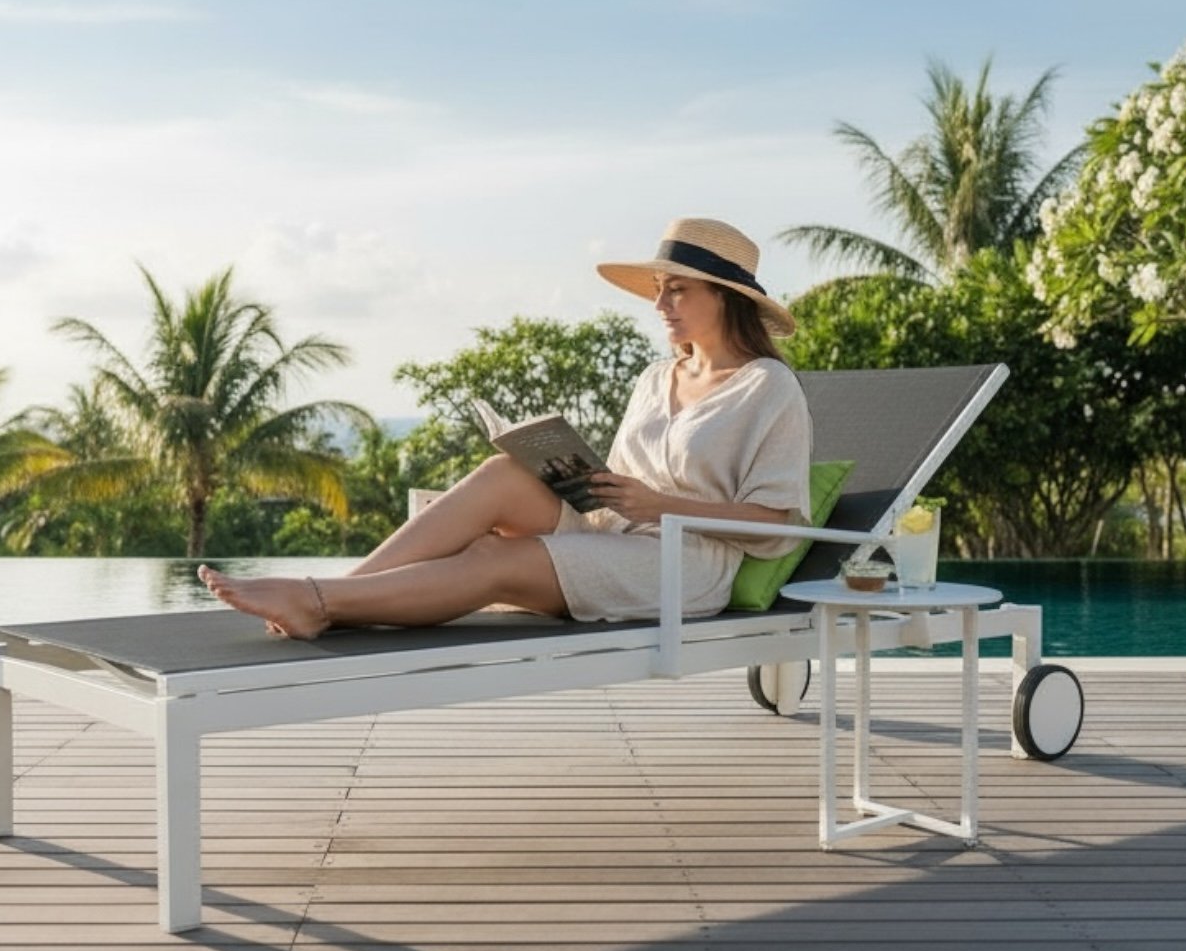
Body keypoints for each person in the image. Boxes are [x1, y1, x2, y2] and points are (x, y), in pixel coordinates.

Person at [199, 216, 813, 638]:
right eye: (659, 291)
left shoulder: (767, 388)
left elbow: (782, 524)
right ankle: (327, 592)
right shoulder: (657, 377)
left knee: (498, 554)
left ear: (726, 297)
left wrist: (660, 503)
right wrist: (581, 477)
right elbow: (625, 479)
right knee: (502, 474)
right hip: (613, 528)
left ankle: (322, 604)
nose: (660, 306)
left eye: (676, 290)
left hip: (684, 565)